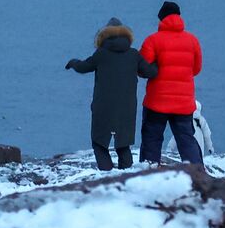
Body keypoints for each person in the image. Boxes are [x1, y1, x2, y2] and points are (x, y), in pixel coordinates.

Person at [66, 17, 158, 170]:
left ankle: (106, 173)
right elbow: (151, 72)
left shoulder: (101, 54)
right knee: (123, 145)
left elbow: (83, 67)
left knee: (99, 142)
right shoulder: (133, 55)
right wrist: (159, 61)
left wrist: (73, 62)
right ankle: (126, 174)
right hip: (126, 108)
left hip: (103, 107)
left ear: (104, 36)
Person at [138, 0, 205, 165]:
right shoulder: (192, 40)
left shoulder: (152, 40)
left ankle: (148, 171)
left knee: (152, 138)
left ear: (161, 19)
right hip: (183, 102)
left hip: (157, 101)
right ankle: (196, 172)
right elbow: (196, 69)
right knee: (186, 139)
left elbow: (142, 69)